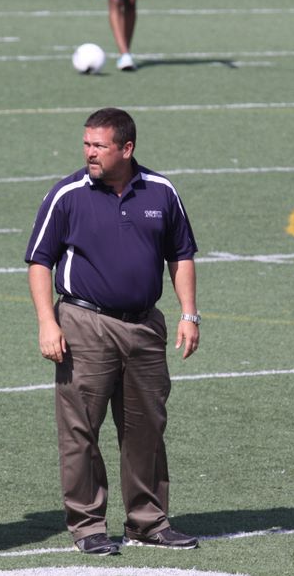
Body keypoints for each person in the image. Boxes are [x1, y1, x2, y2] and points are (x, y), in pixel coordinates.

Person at [25, 107, 201, 555]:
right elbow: (39, 261)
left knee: (146, 428)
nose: (89, 153)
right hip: (84, 325)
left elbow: (180, 254)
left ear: (127, 148)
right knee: (80, 430)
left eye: (99, 146)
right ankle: (88, 526)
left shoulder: (161, 191)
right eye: (86, 144)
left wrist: (189, 314)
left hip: (144, 327)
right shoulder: (67, 194)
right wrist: (47, 322)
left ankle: (148, 521)